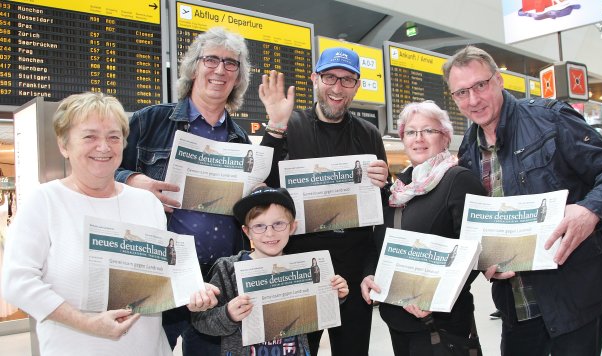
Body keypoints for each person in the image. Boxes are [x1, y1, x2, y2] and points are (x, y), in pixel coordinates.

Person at [443, 46, 602, 356]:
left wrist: (589, 211)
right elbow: (477, 221)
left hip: (574, 295)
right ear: (454, 99)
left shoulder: (550, 118)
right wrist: (482, 260)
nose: (474, 100)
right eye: (462, 92)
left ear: (499, 80)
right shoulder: (468, 151)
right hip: (516, 305)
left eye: (480, 85)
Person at [1, 92, 218, 355]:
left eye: (113, 137)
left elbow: (163, 275)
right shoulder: (45, 202)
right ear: (64, 145)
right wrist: (88, 323)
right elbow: (17, 282)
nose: (103, 147)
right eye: (89, 136)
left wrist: (191, 292)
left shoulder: (146, 203)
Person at [115, 27, 253, 355]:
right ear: (194, 67)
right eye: (211, 60)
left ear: (238, 78)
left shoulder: (241, 140)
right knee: (145, 349)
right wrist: (136, 181)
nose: (220, 70)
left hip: (217, 275)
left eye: (231, 64)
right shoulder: (150, 121)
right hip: (160, 268)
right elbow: (107, 172)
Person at [258, 47, 389, 355]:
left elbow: (378, 209)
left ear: (357, 86)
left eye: (347, 80)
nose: (337, 87)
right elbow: (259, 185)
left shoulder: (369, 134)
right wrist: (275, 126)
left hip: (355, 269)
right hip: (300, 266)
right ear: (314, 79)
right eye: (330, 77)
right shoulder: (290, 126)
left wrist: (384, 183)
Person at [360, 100, 485, 356]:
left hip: (440, 322)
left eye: (428, 130)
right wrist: (369, 274)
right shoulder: (398, 189)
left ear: (446, 137)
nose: (418, 138)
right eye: (410, 132)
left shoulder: (458, 180)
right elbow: (379, 244)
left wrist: (434, 295)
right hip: (397, 320)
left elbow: (478, 251)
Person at [192, 186, 349, 355]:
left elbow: (316, 309)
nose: (270, 233)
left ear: (292, 227)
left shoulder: (303, 266)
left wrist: (335, 294)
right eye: (259, 226)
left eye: (278, 224)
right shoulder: (227, 269)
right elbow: (201, 320)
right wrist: (228, 314)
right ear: (247, 231)